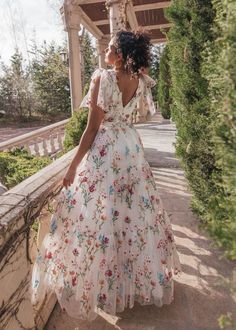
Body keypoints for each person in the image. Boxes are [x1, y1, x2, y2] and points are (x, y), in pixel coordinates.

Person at [30, 29, 182, 322]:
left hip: (107, 150)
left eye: (111, 48)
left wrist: (73, 165)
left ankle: (103, 285)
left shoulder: (103, 77)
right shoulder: (138, 80)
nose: (105, 52)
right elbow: (140, 116)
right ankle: (126, 282)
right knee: (131, 214)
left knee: (99, 214)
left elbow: (91, 129)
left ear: (121, 55)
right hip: (130, 148)